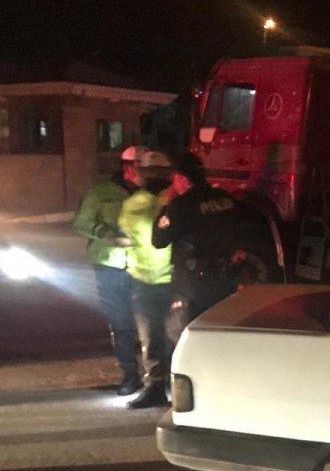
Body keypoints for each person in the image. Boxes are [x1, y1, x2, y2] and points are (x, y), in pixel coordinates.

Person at [152, 152, 252, 342]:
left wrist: (166, 205)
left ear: (181, 178)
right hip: (225, 279)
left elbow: (158, 240)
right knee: (217, 336)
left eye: (174, 180)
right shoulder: (225, 198)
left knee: (182, 339)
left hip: (192, 284)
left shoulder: (181, 205)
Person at [72, 146, 142, 395]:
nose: (146, 173)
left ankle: (158, 378)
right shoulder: (101, 192)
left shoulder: (150, 193)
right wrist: (108, 234)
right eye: (140, 168)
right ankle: (130, 377)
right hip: (110, 267)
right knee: (122, 325)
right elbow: (81, 222)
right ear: (127, 168)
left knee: (150, 324)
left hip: (143, 267)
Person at [118, 152, 175, 409]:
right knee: (170, 336)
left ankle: (157, 387)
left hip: (147, 279)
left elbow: (128, 232)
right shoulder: (174, 199)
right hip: (172, 279)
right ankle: (167, 386)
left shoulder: (135, 203)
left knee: (152, 337)